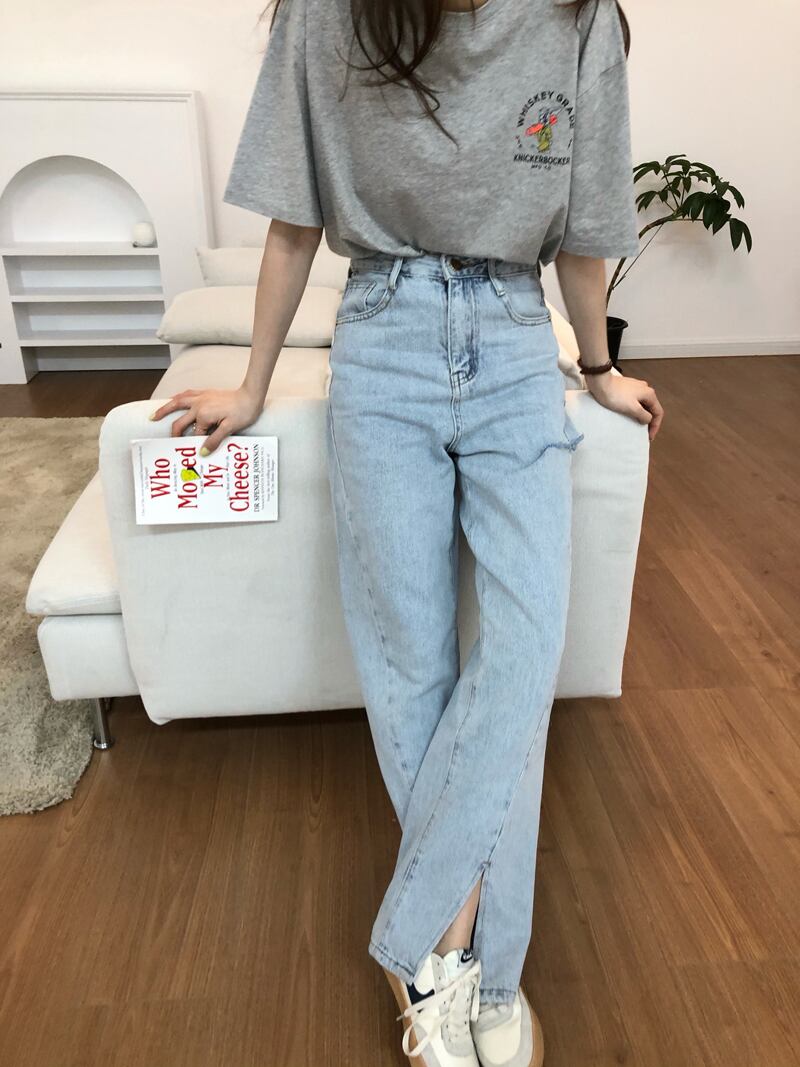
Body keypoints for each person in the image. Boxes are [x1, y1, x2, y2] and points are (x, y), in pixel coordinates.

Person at [151, 0, 664, 1063]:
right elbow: (293, 217)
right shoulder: (326, 12)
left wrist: (598, 365)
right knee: (407, 659)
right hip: (380, 335)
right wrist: (251, 384)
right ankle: (471, 972)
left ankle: (425, 938)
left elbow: (584, 227)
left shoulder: (575, 14)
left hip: (514, 335)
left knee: (525, 643)